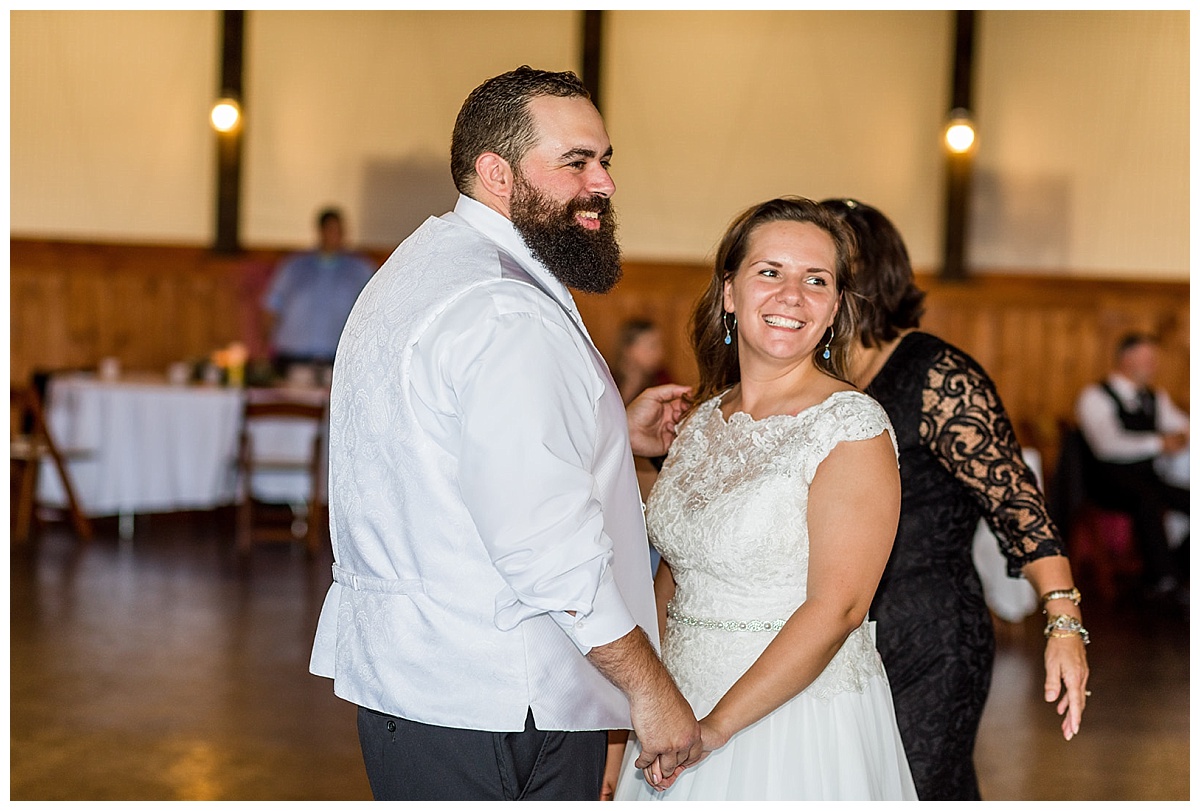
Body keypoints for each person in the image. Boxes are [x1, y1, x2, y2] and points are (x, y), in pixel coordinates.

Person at [308, 66, 702, 802]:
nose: (605, 183)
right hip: (505, 695)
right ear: (496, 172)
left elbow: (450, 444)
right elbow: (545, 541)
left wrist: (608, 430)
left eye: (606, 159)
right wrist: (649, 687)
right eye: (576, 162)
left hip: (419, 679)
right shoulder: (505, 309)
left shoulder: (426, 263)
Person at [613, 197, 917, 800]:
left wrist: (715, 729)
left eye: (816, 280)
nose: (792, 296)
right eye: (770, 272)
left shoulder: (851, 426)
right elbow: (675, 577)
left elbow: (839, 610)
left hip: (791, 718)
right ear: (730, 292)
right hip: (674, 704)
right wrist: (634, 719)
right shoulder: (702, 421)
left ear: (833, 309)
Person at [820, 197, 1090, 800]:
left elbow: (1018, 504)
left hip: (931, 633)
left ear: (868, 273)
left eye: (827, 265)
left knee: (922, 788)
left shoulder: (938, 373)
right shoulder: (815, 375)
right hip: (834, 637)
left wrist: (1064, 620)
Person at [1075, 331, 1189, 601]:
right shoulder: (1095, 396)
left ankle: (1180, 569)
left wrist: (1181, 437)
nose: (1153, 365)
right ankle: (1162, 578)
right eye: (1147, 358)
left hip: (1147, 477)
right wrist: (1159, 444)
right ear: (1126, 359)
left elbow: (1183, 425)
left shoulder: (1154, 397)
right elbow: (1107, 445)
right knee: (1147, 500)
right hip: (1107, 480)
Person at [261, 207, 376, 372]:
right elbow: (271, 307)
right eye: (331, 229)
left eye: (340, 230)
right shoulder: (294, 266)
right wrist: (264, 347)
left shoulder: (360, 269)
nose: (335, 235)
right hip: (294, 356)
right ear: (320, 231)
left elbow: (374, 311)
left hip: (339, 359)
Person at [613, 318, 672, 405]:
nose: (660, 352)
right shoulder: (609, 379)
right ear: (628, 349)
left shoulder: (662, 380)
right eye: (652, 346)